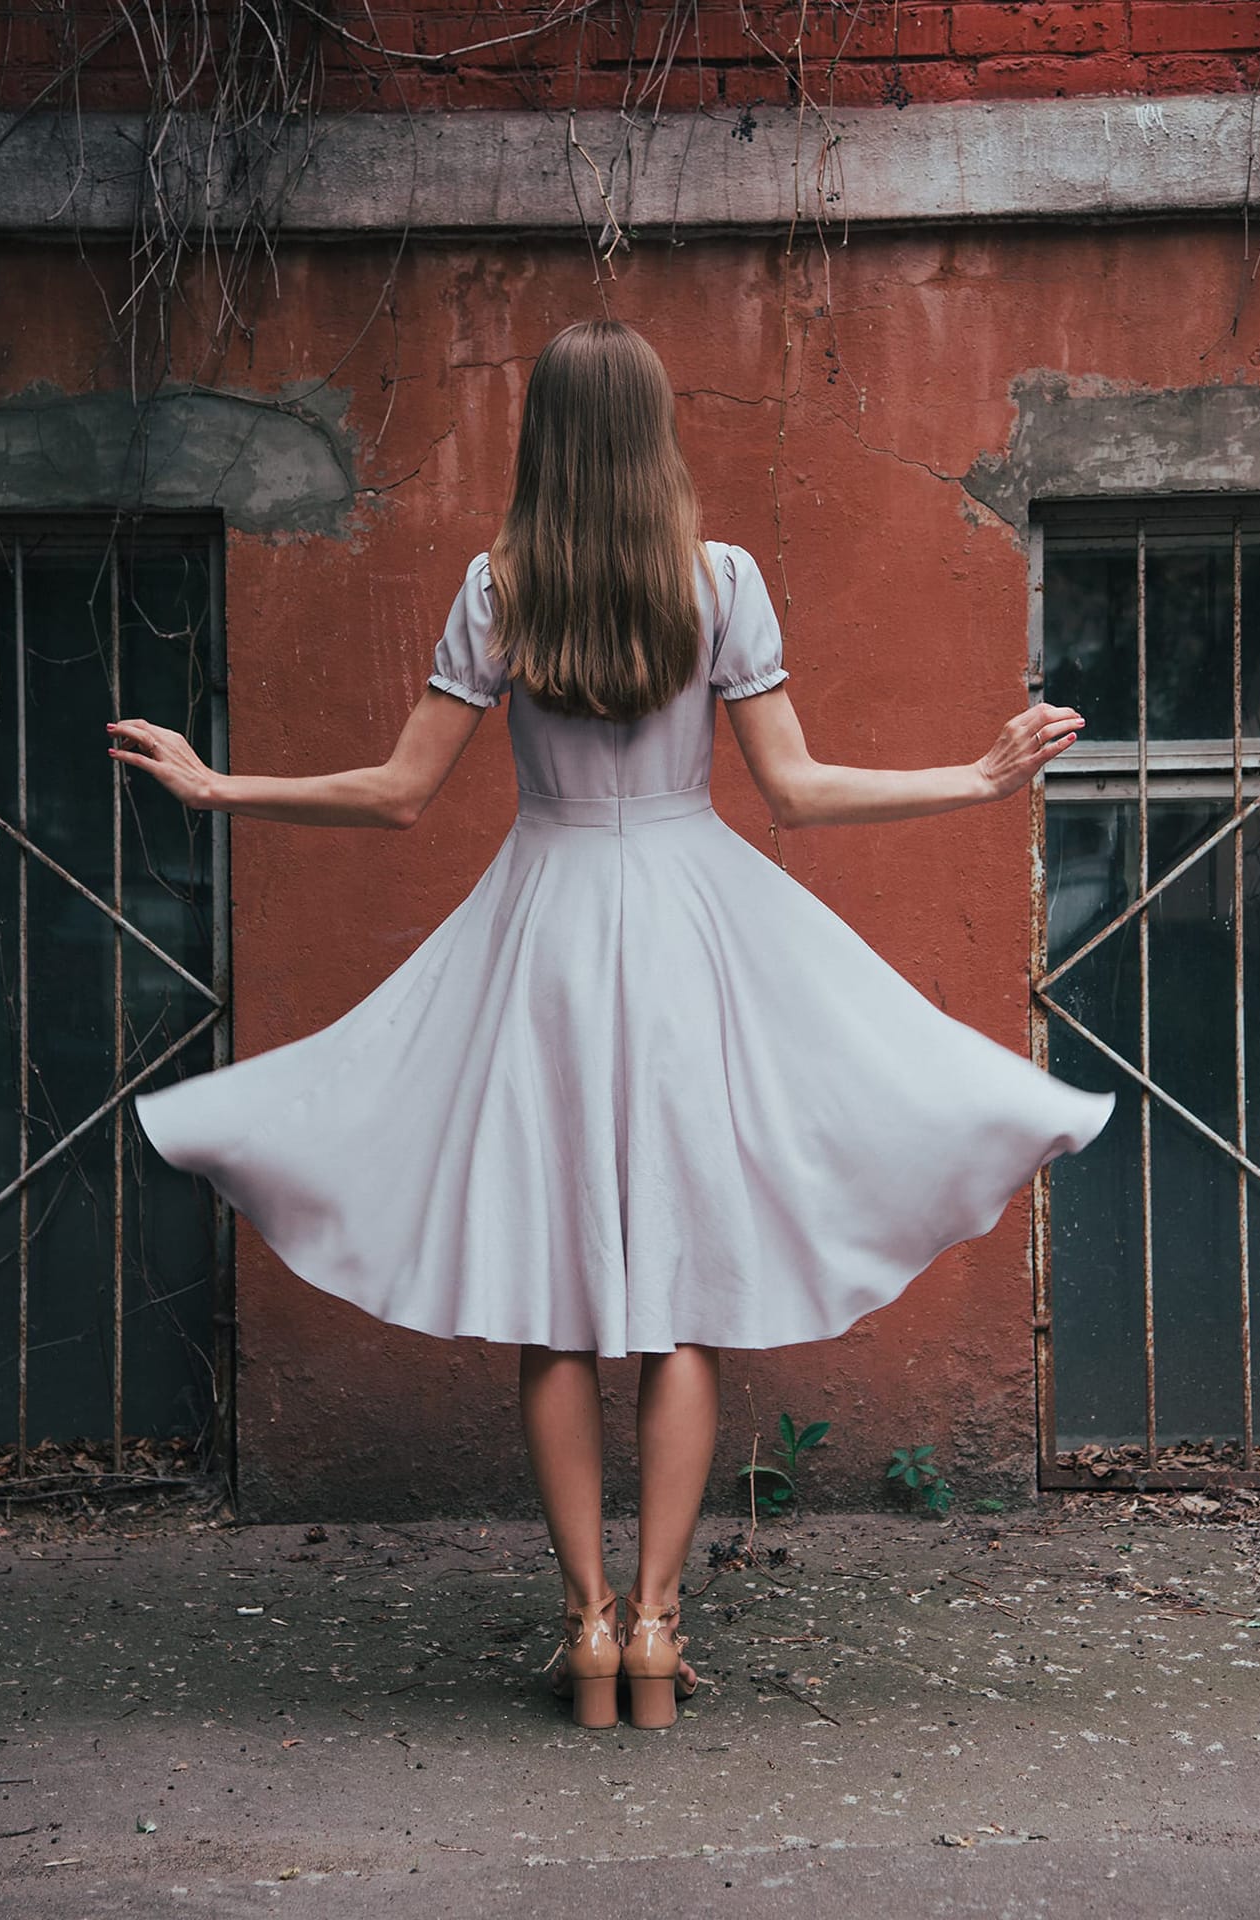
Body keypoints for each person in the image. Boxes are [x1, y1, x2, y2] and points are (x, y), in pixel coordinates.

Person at [108, 319, 1112, 1733]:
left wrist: (220, 790)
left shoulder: (497, 589)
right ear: (652, 435)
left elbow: (399, 792)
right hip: (695, 934)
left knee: (561, 1299)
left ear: (544, 440)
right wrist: (977, 775)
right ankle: (657, 1624)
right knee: (681, 1303)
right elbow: (798, 793)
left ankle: (585, 1625)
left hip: (549, 936)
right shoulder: (722, 585)